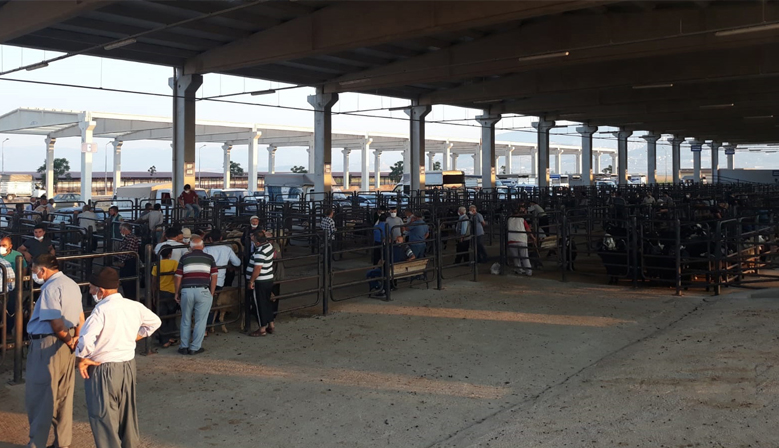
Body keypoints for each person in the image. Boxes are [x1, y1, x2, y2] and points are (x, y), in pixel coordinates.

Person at [75, 268, 161, 448]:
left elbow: (85, 341)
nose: (90, 292)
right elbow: (155, 322)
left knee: (103, 416)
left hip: (102, 367)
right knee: (127, 414)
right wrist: (133, 337)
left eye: (91, 288)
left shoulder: (100, 311)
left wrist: (82, 358)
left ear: (101, 290)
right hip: (127, 366)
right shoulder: (134, 306)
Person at [25, 254, 84, 448]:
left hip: (47, 343)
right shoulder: (72, 284)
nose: (34, 274)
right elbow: (80, 317)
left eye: (35, 271)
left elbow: (56, 323)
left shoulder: (51, 288)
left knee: (40, 395)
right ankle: (63, 442)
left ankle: (37, 443)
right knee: (63, 395)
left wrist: (68, 340)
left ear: (42, 270)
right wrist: (76, 339)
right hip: (68, 342)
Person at [174, 235, 217, 355]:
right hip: (203, 290)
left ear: (191, 247)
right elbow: (214, 277)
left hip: (187, 291)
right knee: (200, 321)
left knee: (185, 319)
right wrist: (211, 292)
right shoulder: (209, 258)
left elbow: (178, 277)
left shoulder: (184, 258)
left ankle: (184, 346)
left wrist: (176, 292)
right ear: (202, 246)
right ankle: (195, 347)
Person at [247, 231, 276, 336]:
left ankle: (262, 328)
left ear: (258, 242)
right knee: (266, 302)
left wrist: (251, 281)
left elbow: (257, 268)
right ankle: (271, 324)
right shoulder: (269, 246)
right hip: (268, 278)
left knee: (259, 304)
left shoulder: (260, 252)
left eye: (253, 239)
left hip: (260, 281)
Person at [151, 247, 179, 348]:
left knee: (161, 316)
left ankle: (164, 339)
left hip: (160, 292)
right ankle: (170, 336)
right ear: (170, 254)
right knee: (171, 316)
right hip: (171, 291)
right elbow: (177, 278)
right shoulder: (174, 263)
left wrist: (153, 294)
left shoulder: (156, 264)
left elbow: (154, 281)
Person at [116, 223, 141, 300]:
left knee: (128, 282)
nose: (120, 231)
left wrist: (121, 260)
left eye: (121, 230)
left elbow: (129, 252)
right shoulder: (129, 238)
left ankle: (130, 297)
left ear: (125, 230)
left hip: (129, 262)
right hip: (127, 261)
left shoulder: (131, 238)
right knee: (127, 282)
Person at [507, 209, 534, 276]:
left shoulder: (509, 220)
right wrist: (532, 237)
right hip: (521, 240)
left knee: (516, 257)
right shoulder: (522, 220)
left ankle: (519, 270)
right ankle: (529, 271)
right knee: (525, 257)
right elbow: (528, 229)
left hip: (511, 240)